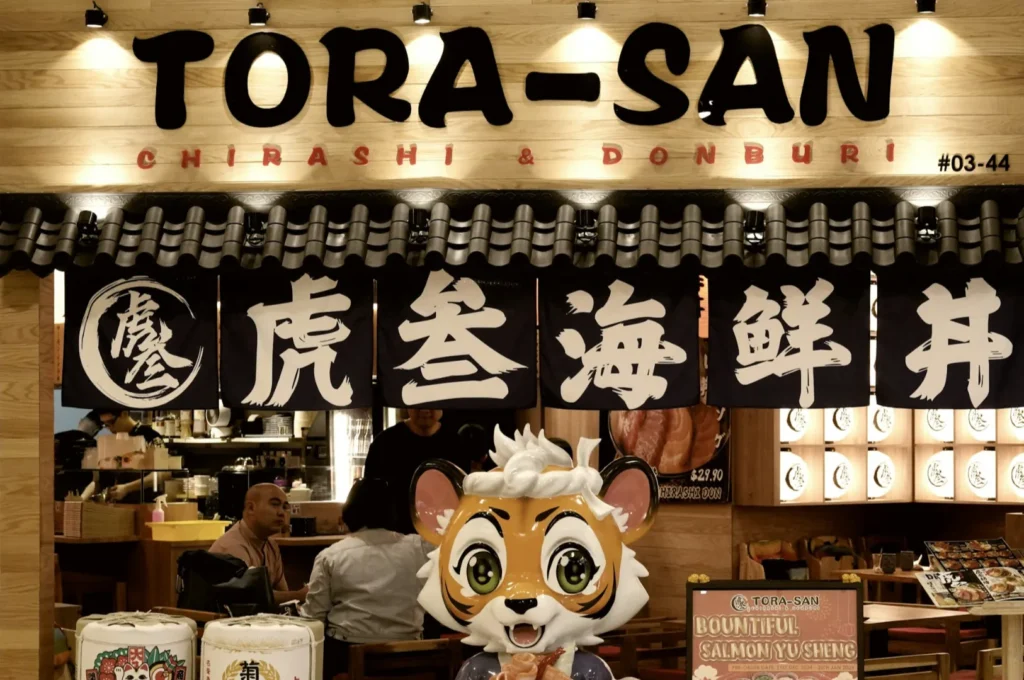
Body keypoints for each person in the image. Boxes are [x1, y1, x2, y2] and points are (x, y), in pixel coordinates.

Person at [302, 478, 432, 680]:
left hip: (347, 655)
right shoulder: (420, 548)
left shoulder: (331, 556)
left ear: (350, 511)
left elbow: (313, 619)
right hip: (411, 656)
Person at [363, 409, 469, 535]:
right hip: (395, 542)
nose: (425, 410)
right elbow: (370, 497)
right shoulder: (385, 443)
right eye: (418, 404)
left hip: (444, 539)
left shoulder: (456, 445)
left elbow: (465, 496)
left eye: (431, 403)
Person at [209, 483, 308, 605]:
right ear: (251, 508)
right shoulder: (232, 546)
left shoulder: (271, 545)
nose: (281, 513)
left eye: (285, 507)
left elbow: (284, 595)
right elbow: (251, 598)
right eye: (275, 504)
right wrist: (299, 595)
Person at [95, 410, 162, 443]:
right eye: (106, 425)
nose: (111, 428)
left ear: (124, 413)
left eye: (111, 422)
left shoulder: (150, 435)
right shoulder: (114, 440)